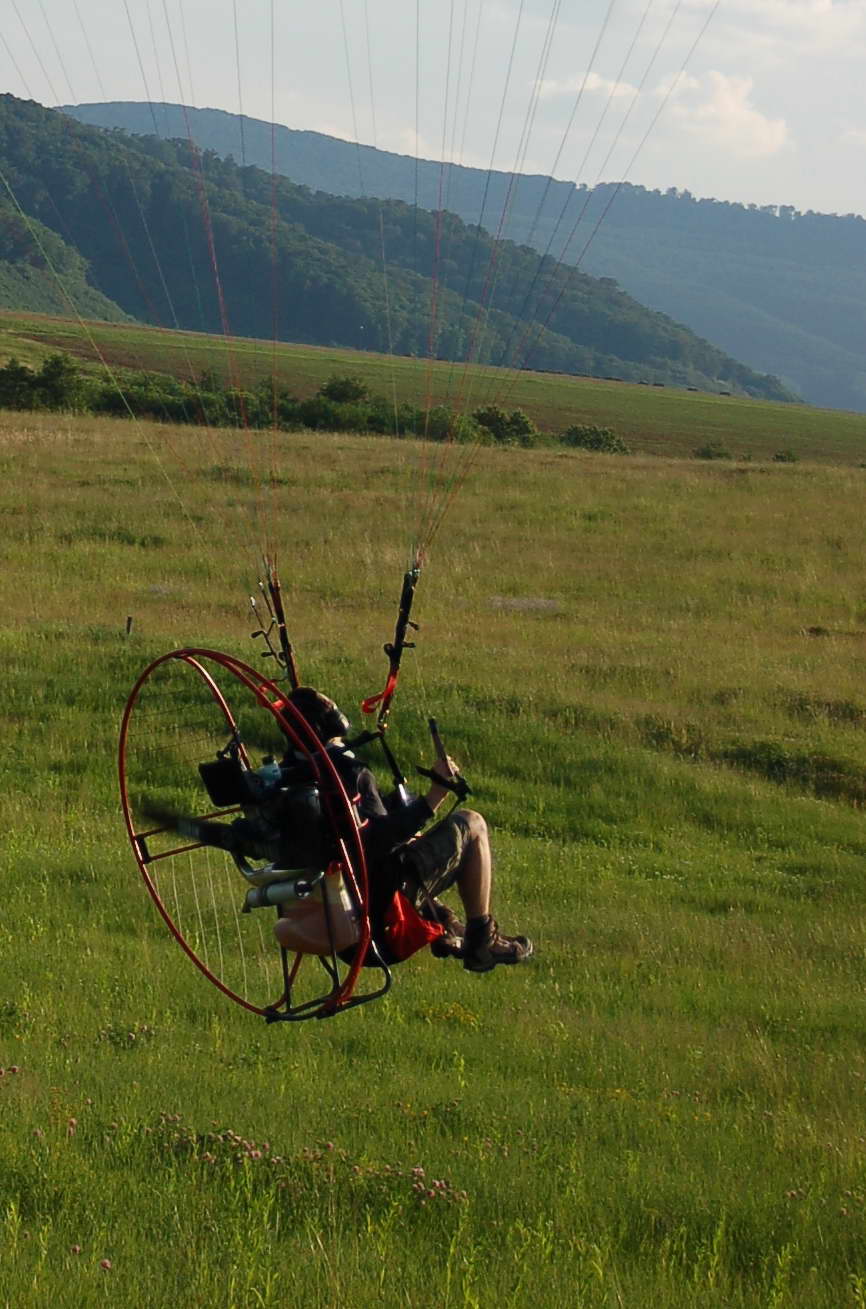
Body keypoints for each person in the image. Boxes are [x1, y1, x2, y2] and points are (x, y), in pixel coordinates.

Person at [285, 687, 533, 974]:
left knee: (411, 844)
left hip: (333, 921)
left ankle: (447, 925)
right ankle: (482, 943)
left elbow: (355, 831)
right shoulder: (349, 773)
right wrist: (435, 796)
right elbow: (380, 841)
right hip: (380, 919)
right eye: (330, 708)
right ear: (328, 724)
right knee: (471, 824)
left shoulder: (289, 776)